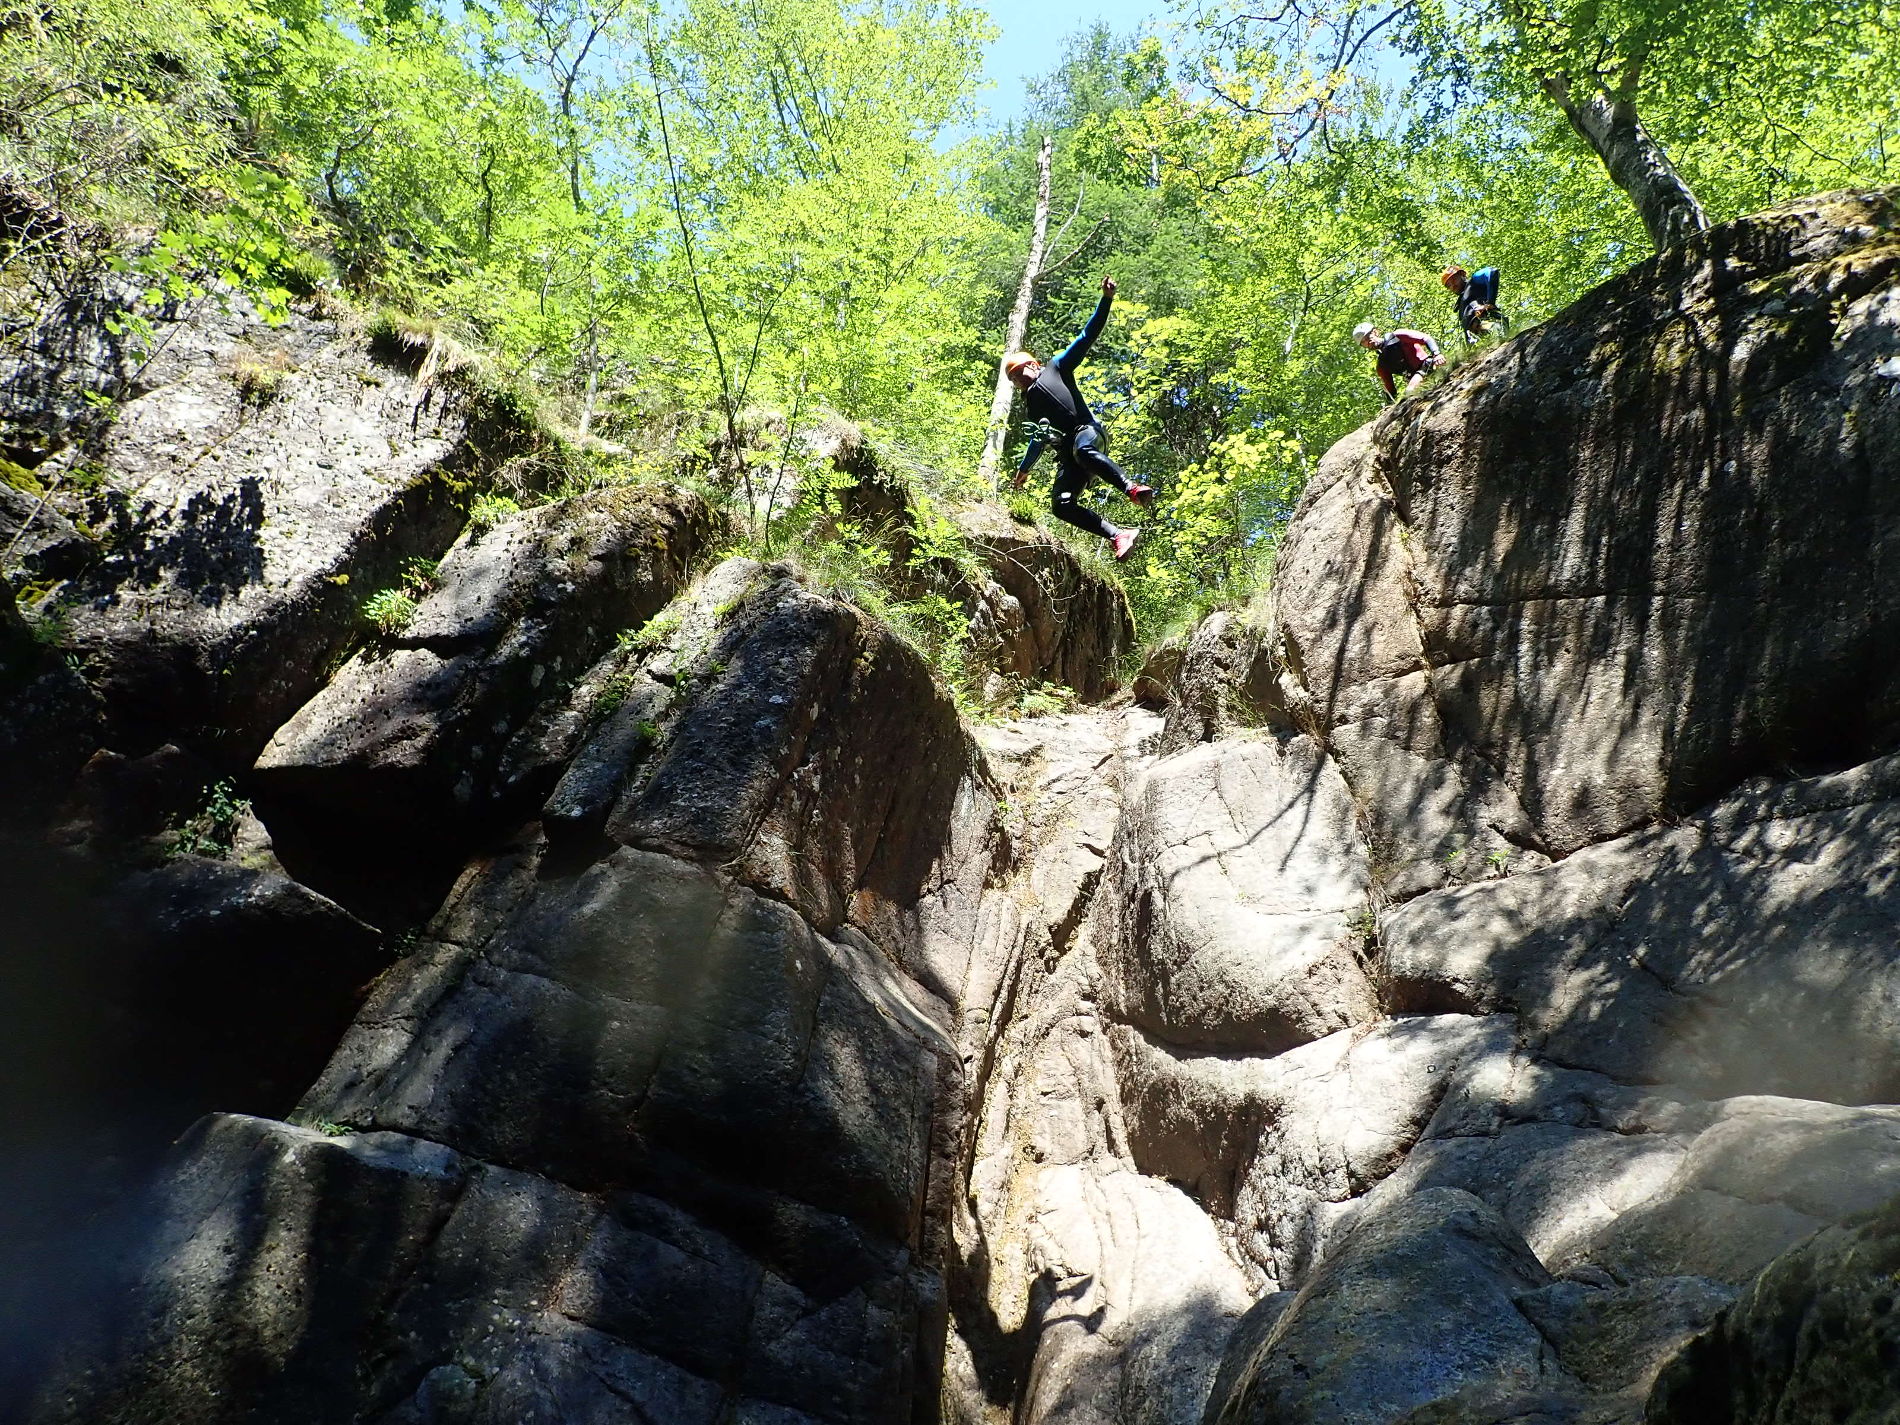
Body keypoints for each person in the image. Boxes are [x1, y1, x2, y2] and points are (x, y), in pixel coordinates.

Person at [1004, 276, 1153, 561]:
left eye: (1021, 371)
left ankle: (1131, 489)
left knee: (1082, 449)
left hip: (1088, 434)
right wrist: (1024, 470)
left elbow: (1087, 337)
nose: (1019, 379)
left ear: (1034, 365)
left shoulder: (1057, 367)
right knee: (1061, 504)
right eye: (1014, 379)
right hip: (1072, 457)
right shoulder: (1032, 408)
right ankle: (1119, 535)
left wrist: (1106, 300)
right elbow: (1037, 439)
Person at [1354, 322, 1444, 402]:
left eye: (1367, 337)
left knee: (1409, 391)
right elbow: (1390, 390)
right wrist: (1389, 405)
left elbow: (1425, 338)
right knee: (1406, 399)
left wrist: (1437, 354)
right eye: (1363, 342)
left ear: (1375, 332)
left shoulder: (1398, 336)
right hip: (1416, 379)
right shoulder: (1382, 365)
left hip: (1428, 366)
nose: (1367, 342)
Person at [1442, 265, 1510, 342]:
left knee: (1497, 336)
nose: (1452, 286)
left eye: (1453, 280)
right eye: (1448, 285)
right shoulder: (1461, 304)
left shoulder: (1473, 282)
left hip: (1490, 322)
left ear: (1462, 274)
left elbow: (1491, 271)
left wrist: (1490, 303)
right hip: (1475, 338)